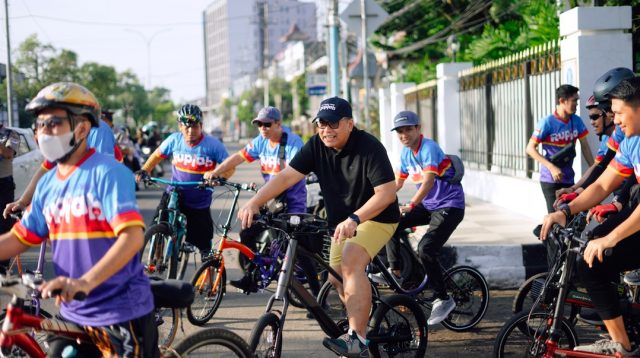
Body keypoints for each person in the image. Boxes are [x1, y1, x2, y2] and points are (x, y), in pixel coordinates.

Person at [0, 82, 158, 357]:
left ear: (82, 128)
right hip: (72, 313)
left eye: (53, 124)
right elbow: (19, 237)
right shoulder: (48, 184)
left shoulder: (109, 173)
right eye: (39, 125)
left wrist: (84, 282)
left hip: (120, 314)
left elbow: (131, 237)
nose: (42, 133)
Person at [238, 97, 400, 357]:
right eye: (321, 124)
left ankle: (357, 339)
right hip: (341, 223)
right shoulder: (316, 145)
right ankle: (360, 320)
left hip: (376, 217)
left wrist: (355, 218)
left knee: (350, 261)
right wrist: (256, 202)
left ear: (349, 124)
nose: (326, 130)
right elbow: (287, 177)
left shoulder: (369, 147)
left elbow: (386, 194)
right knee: (335, 277)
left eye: (333, 124)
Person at [541, 77, 640, 356]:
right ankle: (622, 340)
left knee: (598, 254)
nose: (615, 120)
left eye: (619, 113)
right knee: (592, 258)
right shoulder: (631, 142)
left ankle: (622, 344)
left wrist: (610, 238)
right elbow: (601, 184)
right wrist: (564, 211)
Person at [204, 106, 316, 295]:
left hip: (290, 204)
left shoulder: (292, 144)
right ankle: (251, 278)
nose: (262, 128)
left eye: (267, 124)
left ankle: (317, 295)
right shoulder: (261, 141)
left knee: (297, 248)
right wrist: (216, 172)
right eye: (259, 125)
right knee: (247, 231)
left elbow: (292, 177)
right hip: (269, 201)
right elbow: (238, 157)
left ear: (278, 124)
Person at [383, 110, 465, 325]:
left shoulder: (429, 148)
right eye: (400, 131)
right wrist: (376, 197)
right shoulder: (405, 153)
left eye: (408, 129)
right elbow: (397, 183)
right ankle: (396, 270)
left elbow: (428, 182)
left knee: (426, 249)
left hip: (450, 206)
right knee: (390, 221)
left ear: (418, 128)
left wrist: (411, 204)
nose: (404, 135)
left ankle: (443, 298)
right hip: (429, 205)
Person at [135, 104, 231, 257]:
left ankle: (209, 276)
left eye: (195, 126)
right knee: (157, 221)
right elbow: (156, 155)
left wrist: (220, 177)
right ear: (180, 126)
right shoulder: (174, 140)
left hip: (199, 200)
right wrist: (145, 170)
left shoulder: (213, 145)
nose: (191, 131)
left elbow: (229, 166)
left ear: (201, 125)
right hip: (175, 193)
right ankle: (156, 257)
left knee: (204, 244)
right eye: (186, 127)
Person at [3, 107, 122, 219]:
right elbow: (45, 169)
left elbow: (100, 174)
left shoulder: (99, 130)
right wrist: (22, 202)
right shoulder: (63, 134)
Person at [526, 84, 594, 214]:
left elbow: (584, 145)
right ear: (562, 101)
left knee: (570, 217)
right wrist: (551, 167)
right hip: (550, 180)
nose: (577, 104)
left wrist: (594, 168)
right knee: (556, 218)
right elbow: (530, 148)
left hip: (569, 180)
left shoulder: (577, 121)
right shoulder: (547, 122)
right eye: (574, 100)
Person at [0, 119, 19, 269]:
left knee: (3, 225)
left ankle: (2, 266)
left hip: (3, 185)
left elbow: (8, 153)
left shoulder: (10, 134)